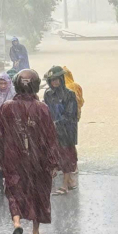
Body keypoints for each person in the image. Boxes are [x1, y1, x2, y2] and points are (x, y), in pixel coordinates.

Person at [0, 69, 59, 234]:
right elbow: (50, 138)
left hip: (13, 157)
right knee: (38, 191)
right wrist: (53, 162)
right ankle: (35, 233)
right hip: (38, 159)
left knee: (14, 190)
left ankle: (17, 223)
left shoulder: (6, 108)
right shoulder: (42, 108)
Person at [43, 66, 79, 195]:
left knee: (66, 158)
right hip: (52, 131)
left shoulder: (70, 94)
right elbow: (45, 111)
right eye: (52, 80)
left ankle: (65, 185)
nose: (55, 83)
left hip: (66, 131)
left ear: (62, 79)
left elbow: (70, 114)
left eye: (57, 80)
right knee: (53, 157)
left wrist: (56, 123)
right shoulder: (48, 94)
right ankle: (68, 181)